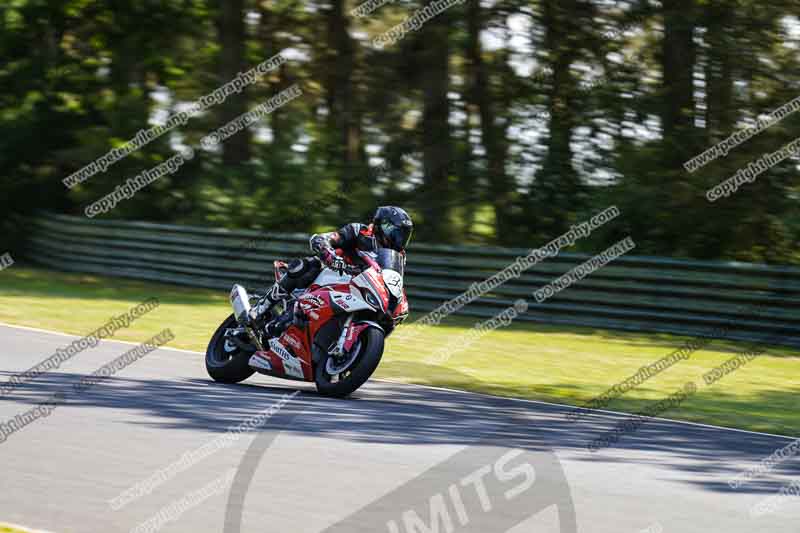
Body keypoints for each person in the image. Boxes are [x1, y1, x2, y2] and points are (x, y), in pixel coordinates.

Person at [251, 206, 414, 336]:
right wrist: (330, 256)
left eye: (404, 235)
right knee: (305, 266)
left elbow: (393, 280)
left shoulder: (398, 256)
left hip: (360, 289)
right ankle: (259, 310)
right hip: (334, 274)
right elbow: (324, 238)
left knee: (387, 318)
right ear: (383, 225)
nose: (400, 239)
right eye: (397, 233)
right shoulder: (359, 231)